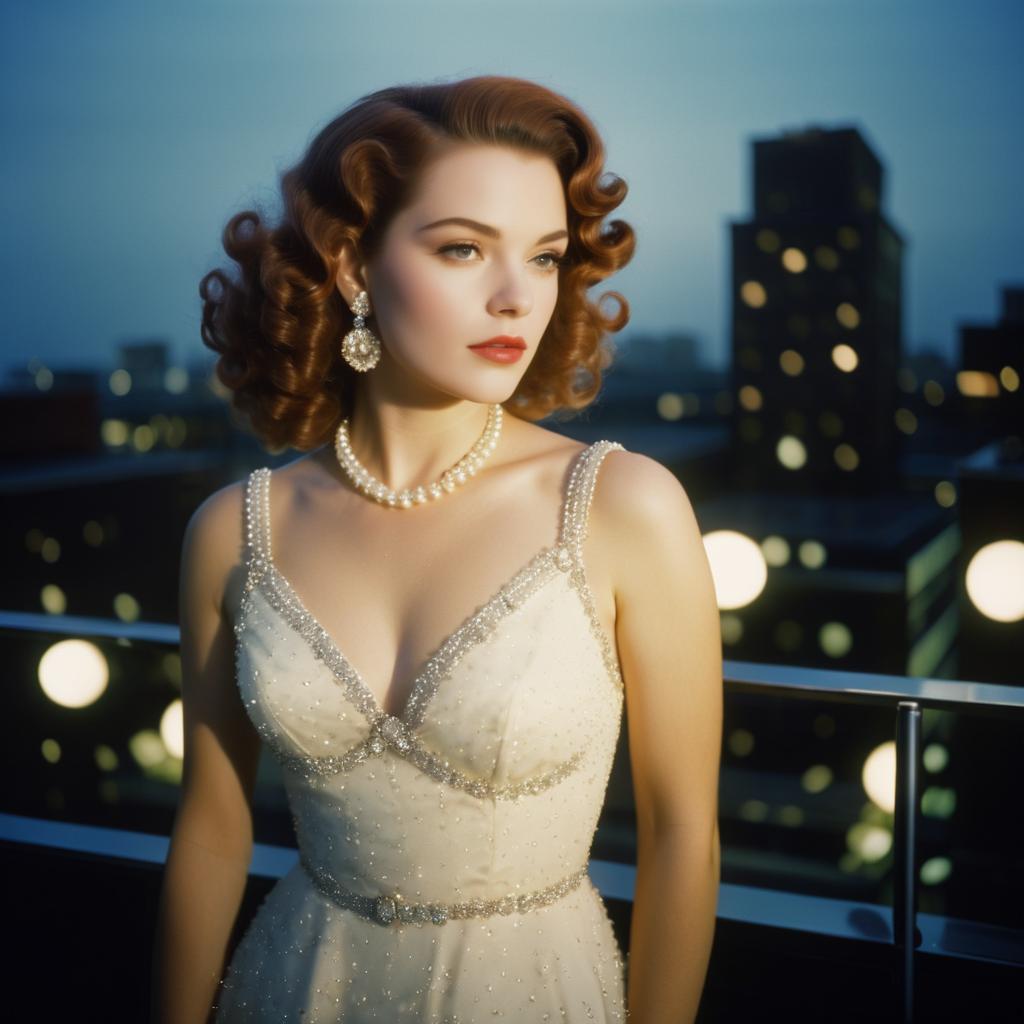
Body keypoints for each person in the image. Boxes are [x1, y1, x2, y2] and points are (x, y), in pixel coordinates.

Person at [151, 74, 722, 1024]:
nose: (515, 298)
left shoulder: (624, 507)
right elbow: (212, 826)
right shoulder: (235, 530)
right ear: (353, 264)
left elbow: (683, 836)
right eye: (463, 248)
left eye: (543, 258)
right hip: (294, 988)